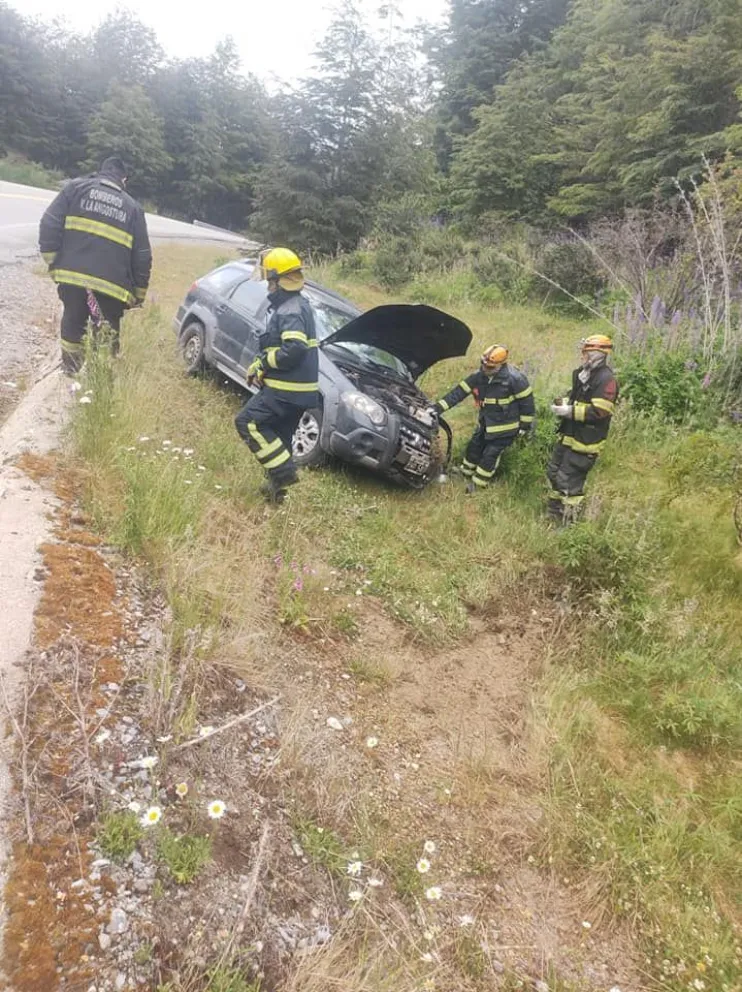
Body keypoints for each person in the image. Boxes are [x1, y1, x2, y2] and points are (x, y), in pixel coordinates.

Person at [39, 156, 151, 374]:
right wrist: (139, 294)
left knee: (73, 322)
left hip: (72, 277)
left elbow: (49, 222)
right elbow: (142, 256)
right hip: (112, 288)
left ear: (101, 171)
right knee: (106, 336)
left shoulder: (74, 189)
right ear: (124, 179)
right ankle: (98, 381)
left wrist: (52, 259)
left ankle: (70, 372)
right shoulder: (134, 209)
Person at [234, 248, 319, 503]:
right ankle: (275, 494)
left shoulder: (290, 310)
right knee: (280, 437)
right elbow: (278, 347)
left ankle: (284, 473)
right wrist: (259, 365)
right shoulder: (297, 305)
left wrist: (264, 364)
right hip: (299, 393)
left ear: (279, 280)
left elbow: (294, 348)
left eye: (270, 281)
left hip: (286, 391)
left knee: (247, 422)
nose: (268, 287)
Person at [433, 345, 535, 492]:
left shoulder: (515, 379)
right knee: (474, 447)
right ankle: (465, 472)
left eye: (490, 367)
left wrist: (524, 428)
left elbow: (527, 405)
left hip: (506, 428)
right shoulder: (479, 376)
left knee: (490, 455)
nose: (485, 368)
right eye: (483, 364)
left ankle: (478, 483)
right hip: (486, 423)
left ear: (501, 365)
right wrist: (437, 409)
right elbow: (458, 393)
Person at [546, 334, 618, 524]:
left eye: (586, 352)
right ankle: (554, 513)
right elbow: (577, 398)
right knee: (554, 472)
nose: (582, 355)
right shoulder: (583, 373)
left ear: (597, 354)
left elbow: (600, 411)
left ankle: (568, 522)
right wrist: (564, 404)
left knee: (569, 481)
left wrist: (569, 411)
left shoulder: (606, 379)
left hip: (586, 441)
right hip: (569, 435)